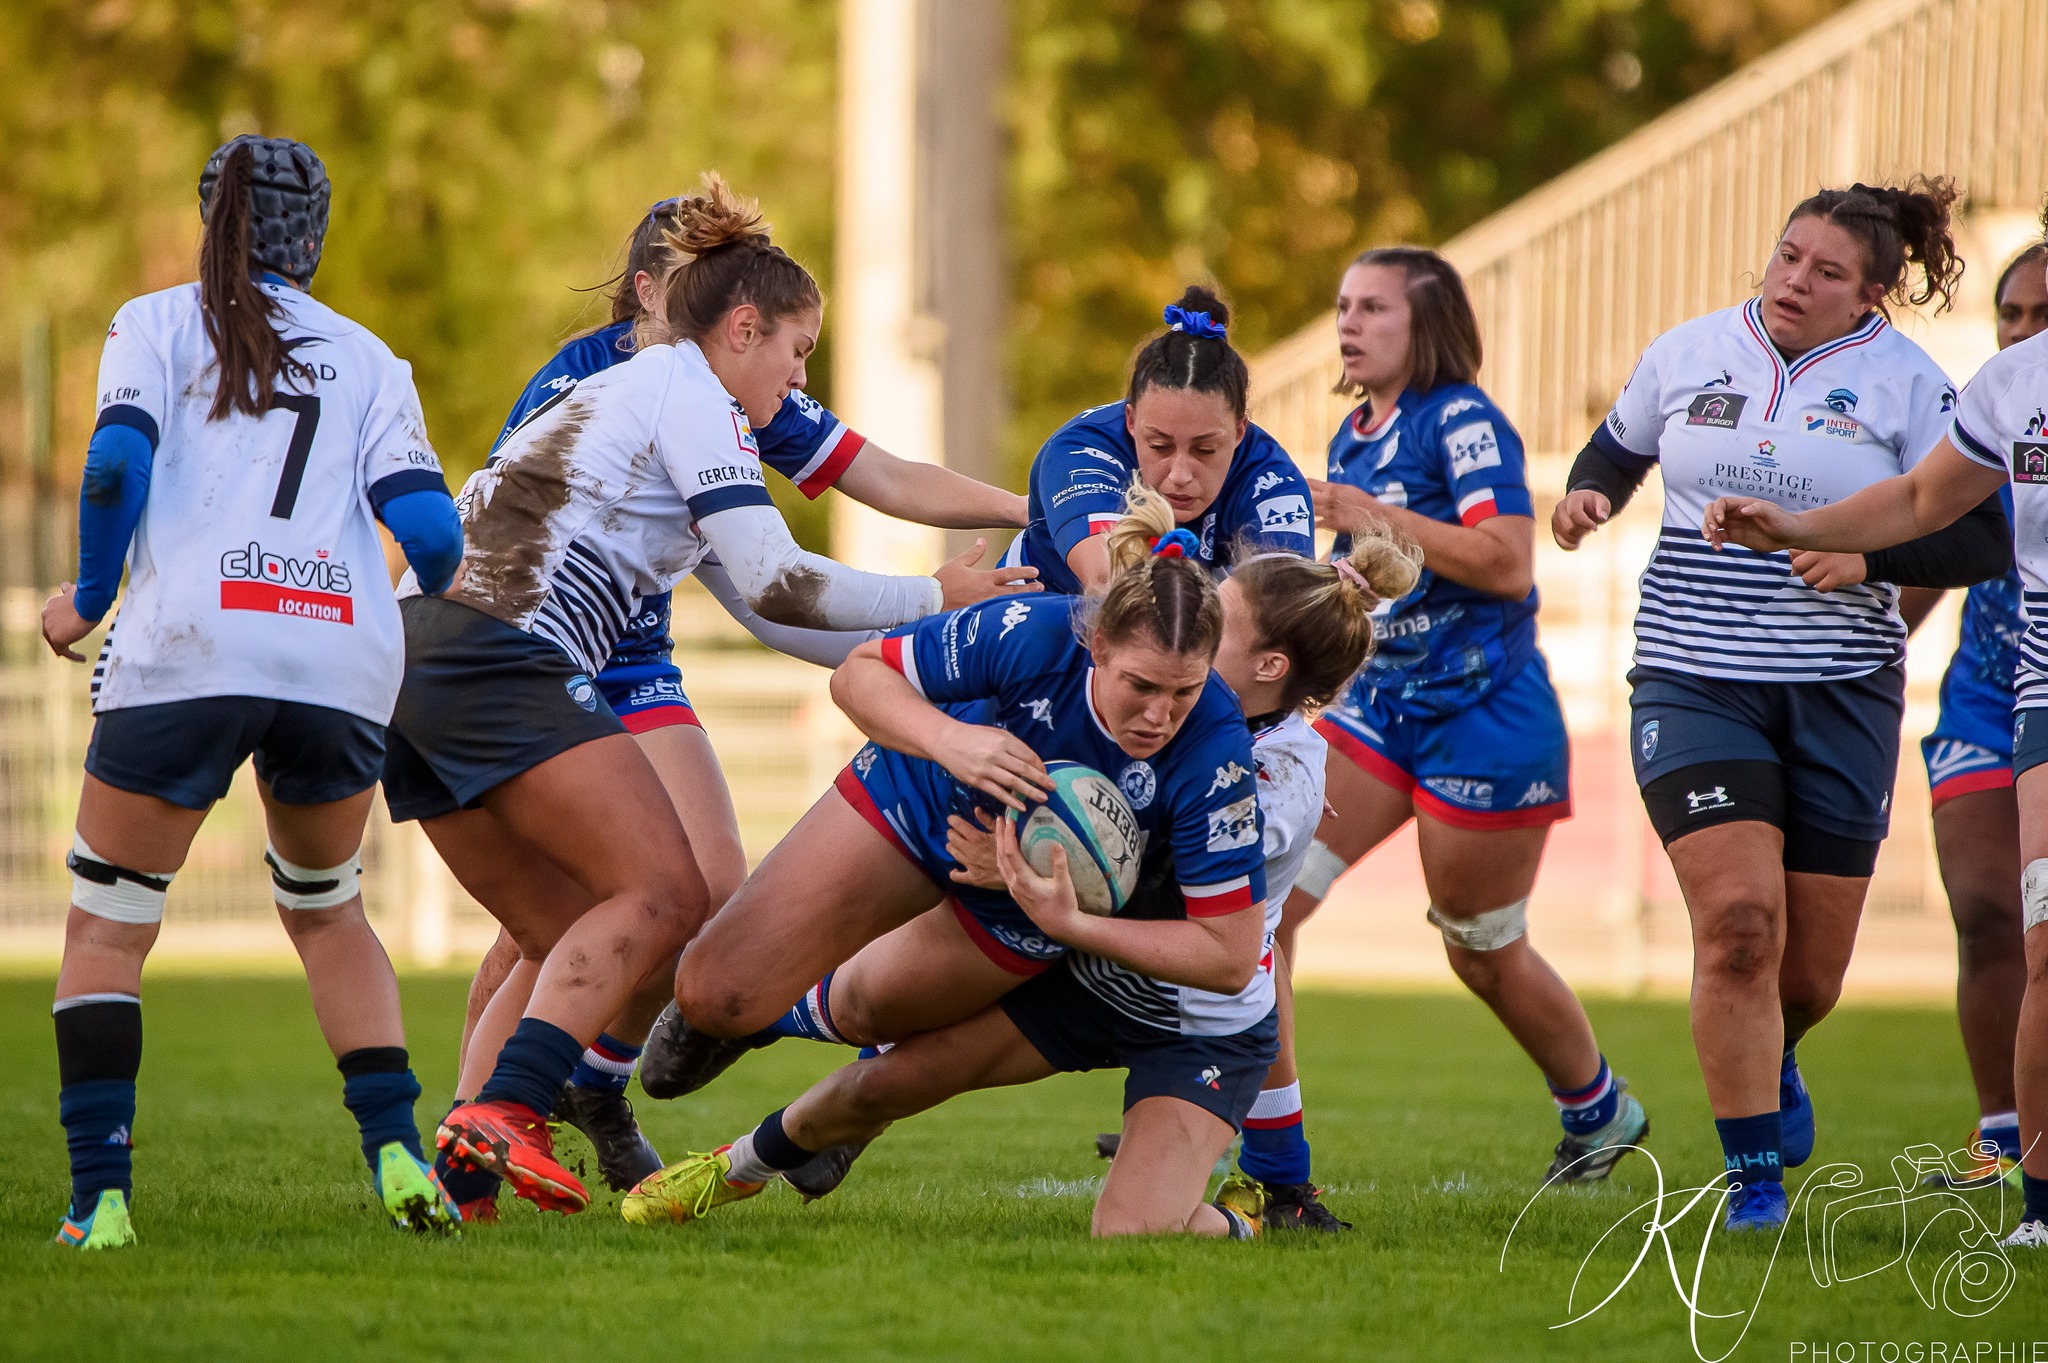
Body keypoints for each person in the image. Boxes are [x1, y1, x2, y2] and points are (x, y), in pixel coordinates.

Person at [390, 173, 1027, 1217]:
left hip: (419, 660)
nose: (799, 373)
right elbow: (784, 577)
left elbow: (770, 611)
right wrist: (937, 589)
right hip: (497, 654)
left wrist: (938, 642)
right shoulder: (687, 393)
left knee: (573, 933)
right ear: (741, 326)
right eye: (797, 349)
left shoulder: (658, 397)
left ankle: (461, 1178)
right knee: (673, 896)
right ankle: (511, 1108)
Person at [618, 519, 1418, 1236]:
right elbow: (867, 675)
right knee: (874, 1062)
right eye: (1148, 683)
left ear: (1265, 664)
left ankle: (1248, 1222)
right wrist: (960, 754)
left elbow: (1225, 947)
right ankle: (734, 1160)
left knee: (1131, 1228)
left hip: (1172, 1001)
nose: (1170, 700)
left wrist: (1041, 892)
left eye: (1201, 663)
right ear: (1100, 646)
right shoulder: (1050, 639)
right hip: (1076, 960)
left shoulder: (1251, 770)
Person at [38, 135, 467, 1248]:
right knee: (327, 912)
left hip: (187, 647)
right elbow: (428, 530)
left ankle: (100, 1202)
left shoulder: (155, 322)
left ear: (207, 219)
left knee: (111, 922)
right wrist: (369, 613)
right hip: (337, 658)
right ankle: (397, 1158)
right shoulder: (371, 358)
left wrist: (87, 599)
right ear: (314, 237)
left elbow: (113, 467)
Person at [1559, 178, 2010, 1233]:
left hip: (1840, 693)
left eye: (1825, 271)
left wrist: (1859, 557)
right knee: (1736, 929)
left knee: (1804, 974)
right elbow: (1615, 452)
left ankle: (1778, 1054)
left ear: (1870, 296)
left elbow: (1977, 538)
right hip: (1691, 676)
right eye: (1785, 254)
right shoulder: (1684, 351)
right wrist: (1587, 496)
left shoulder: (1907, 387)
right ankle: (1751, 1183)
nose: (1793, 280)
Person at [1700, 218, 2048, 1249]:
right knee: (2024, 930)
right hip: (2030, 692)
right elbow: (1917, 500)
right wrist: (1800, 531)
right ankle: (2033, 1198)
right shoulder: (2007, 388)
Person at [1282, 247, 1648, 1192]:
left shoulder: (1464, 419)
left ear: (1426, 325)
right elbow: (1375, 577)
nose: (1348, 324)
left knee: (1479, 950)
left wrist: (1372, 516)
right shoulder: (1353, 434)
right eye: (1343, 306)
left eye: (1373, 308)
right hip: (1380, 709)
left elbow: (1507, 560)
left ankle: (1599, 1108)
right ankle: (1233, 1117)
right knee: (1262, 905)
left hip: (1484, 714)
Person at [1899, 242, 2048, 1192]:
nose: (2023, 329)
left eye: (2044, 313)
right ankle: (2000, 1132)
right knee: (1987, 909)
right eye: (2011, 311)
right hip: (1985, 697)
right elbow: (1918, 545)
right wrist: (1868, 659)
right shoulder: (1987, 422)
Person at [1000, 285, 1313, 595]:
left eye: (1205, 450)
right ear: (1131, 421)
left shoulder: (1271, 477)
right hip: (1027, 629)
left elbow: (1281, 612)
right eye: (1160, 446)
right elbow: (1108, 585)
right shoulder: (1080, 449)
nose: (1179, 475)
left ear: (1240, 431)